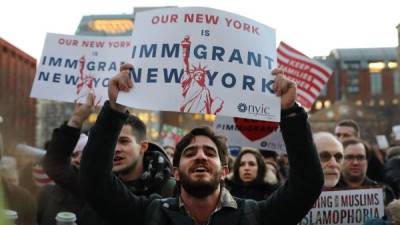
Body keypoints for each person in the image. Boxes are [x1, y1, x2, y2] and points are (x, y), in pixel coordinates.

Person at [80, 65, 324, 225]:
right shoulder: (149, 214)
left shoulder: (254, 216)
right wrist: (114, 109)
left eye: (210, 152)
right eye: (190, 152)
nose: (200, 156)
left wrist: (290, 113)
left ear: (225, 171)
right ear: (175, 172)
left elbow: (307, 184)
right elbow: (94, 180)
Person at [41, 95, 175, 225]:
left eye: (124, 141)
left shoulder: (167, 190)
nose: (115, 149)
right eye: (112, 143)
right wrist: (77, 119)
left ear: (143, 147)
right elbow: (55, 164)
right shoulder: (93, 182)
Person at [337, 138, 395, 205]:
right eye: (349, 157)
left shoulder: (384, 192)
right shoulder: (326, 192)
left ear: (367, 161)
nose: (355, 163)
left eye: (360, 157)